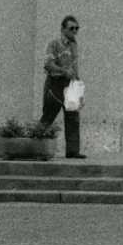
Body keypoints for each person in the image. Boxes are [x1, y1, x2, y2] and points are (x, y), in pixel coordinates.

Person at [41, 14, 83, 159]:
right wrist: (64, 71)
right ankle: (39, 148)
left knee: (73, 118)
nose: (75, 31)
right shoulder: (54, 43)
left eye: (77, 28)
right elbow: (48, 64)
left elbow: (74, 67)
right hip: (56, 83)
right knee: (48, 116)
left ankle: (73, 151)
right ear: (63, 29)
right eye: (72, 28)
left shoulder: (74, 45)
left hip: (71, 85)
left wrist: (78, 87)